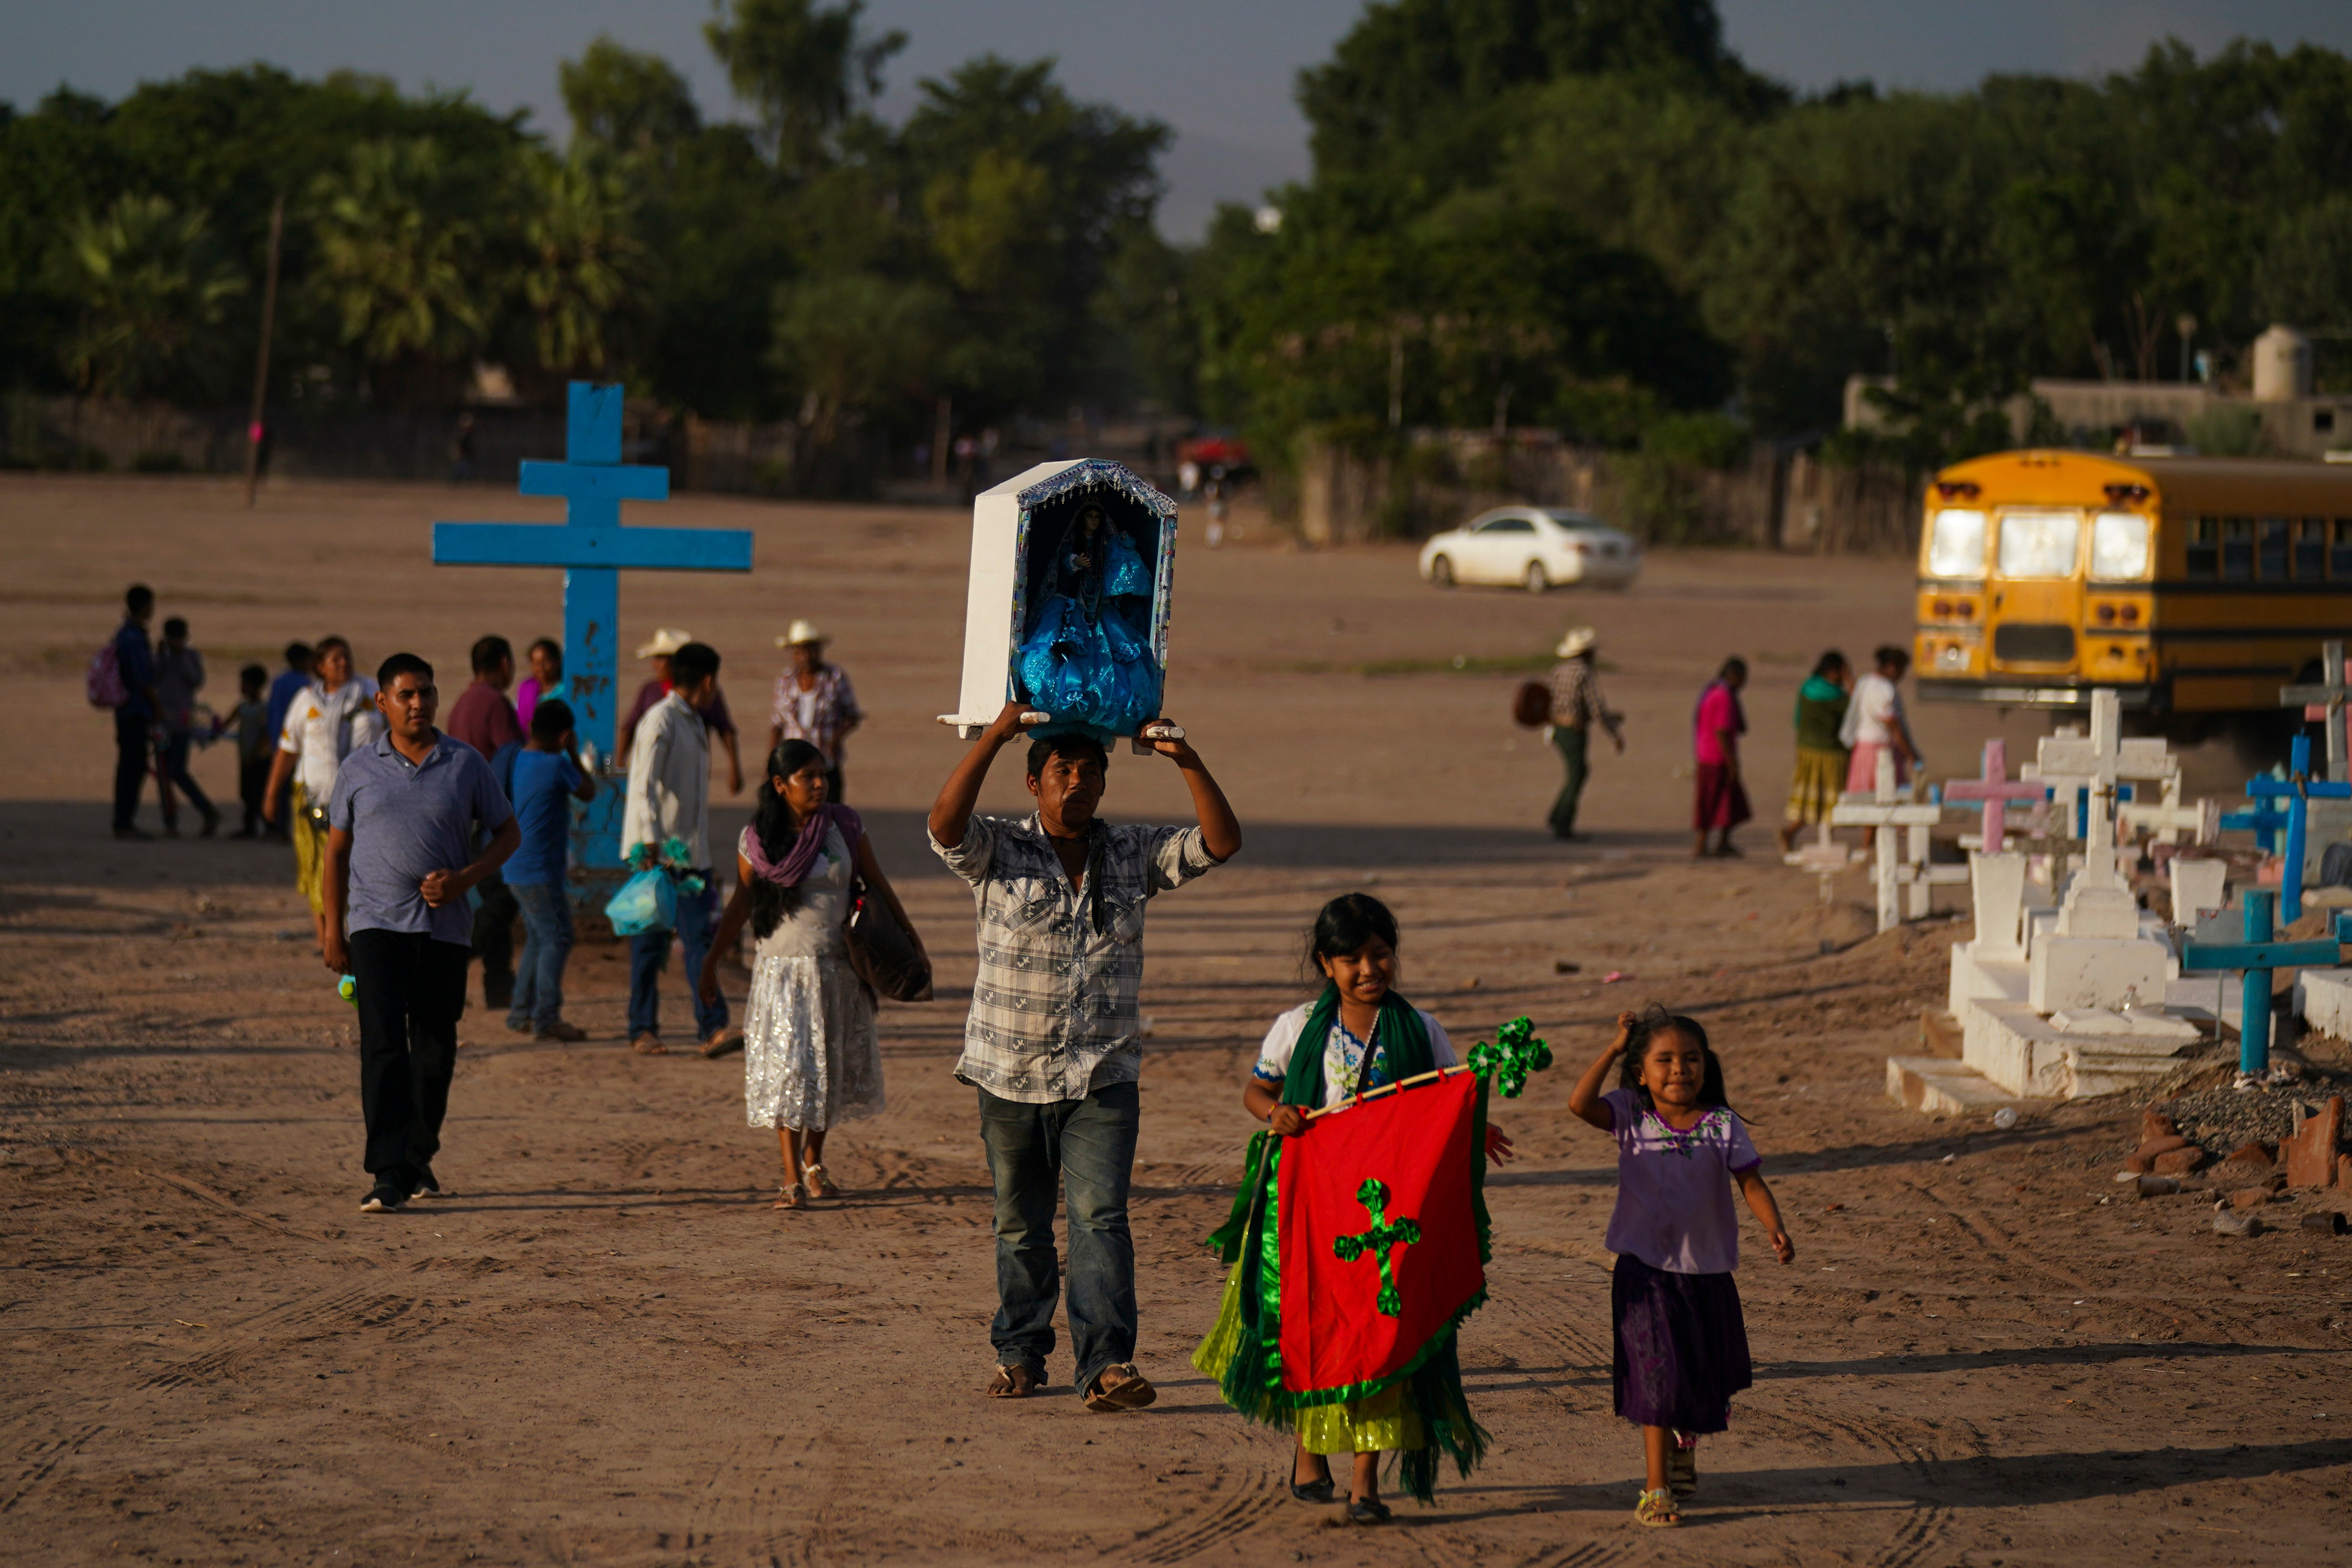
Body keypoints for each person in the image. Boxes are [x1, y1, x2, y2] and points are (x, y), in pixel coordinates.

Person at [928, 701, 1241, 1410]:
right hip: (1008, 1072)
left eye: (1090, 771)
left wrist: (1184, 757)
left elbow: (1221, 842)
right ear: (1034, 784)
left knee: (1101, 1218)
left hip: (1101, 1073)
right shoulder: (999, 849)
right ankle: (1020, 1351)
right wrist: (998, 736)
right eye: (1061, 770)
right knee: (1019, 1223)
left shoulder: (1132, 853)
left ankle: (1106, 1363)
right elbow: (943, 826)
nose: (1077, 781)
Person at [1195, 893, 1514, 1524]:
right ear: (1325, 963)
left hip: (1391, 1213)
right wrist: (1274, 1113)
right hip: (1314, 1207)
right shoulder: (1294, 1027)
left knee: (1387, 1333)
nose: (1369, 969)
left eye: (1379, 954)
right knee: (1315, 1324)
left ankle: (1365, 1482)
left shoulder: (1422, 1030)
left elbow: (1443, 1102)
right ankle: (1309, 1450)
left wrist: (1476, 1125)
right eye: (1352, 958)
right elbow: (1256, 1089)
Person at [1566, 1006, 1793, 1529]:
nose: (1679, 1070)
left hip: (1706, 1273)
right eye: (1664, 1060)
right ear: (1641, 1072)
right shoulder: (1629, 1112)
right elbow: (1579, 1104)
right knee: (1655, 1376)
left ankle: (1682, 1443)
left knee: (1698, 1373)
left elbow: (1751, 1183)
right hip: (1643, 1273)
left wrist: (1774, 1228)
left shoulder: (1722, 1124)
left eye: (1691, 1059)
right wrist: (1613, 1048)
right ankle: (1656, 1486)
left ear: (1707, 1067)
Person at [320, 653, 519, 1214]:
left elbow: (508, 833)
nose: (418, 704)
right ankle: (389, 1170)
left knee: (434, 1051)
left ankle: (419, 1151)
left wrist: (466, 880)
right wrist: (334, 930)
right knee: (383, 1047)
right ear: (381, 702)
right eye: (406, 694)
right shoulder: (359, 768)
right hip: (376, 927)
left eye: (426, 693)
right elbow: (336, 852)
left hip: (445, 929)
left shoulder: (466, 763)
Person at [699, 738, 924, 1209]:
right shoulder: (755, 839)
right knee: (790, 1072)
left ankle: (815, 1160)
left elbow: (877, 882)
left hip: (838, 971)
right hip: (781, 974)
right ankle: (789, 1176)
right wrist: (711, 960)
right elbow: (741, 903)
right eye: (808, 777)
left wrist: (910, 935)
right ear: (781, 786)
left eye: (823, 774)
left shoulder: (844, 825)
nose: (820, 784)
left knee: (831, 1070)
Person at [622, 640, 739, 1056]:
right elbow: (643, 784)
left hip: (690, 855)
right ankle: (641, 1028)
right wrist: (649, 840)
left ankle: (712, 1027)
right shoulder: (661, 720)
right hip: (657, 856)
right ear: (707, 681)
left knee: (700, 941)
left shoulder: (691, 721)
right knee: (650, 945)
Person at [264, 637, 380, 953]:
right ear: (320, 667)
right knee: (320, 865)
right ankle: (326, 935)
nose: (343, 664)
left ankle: (355, 931)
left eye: (346, 657)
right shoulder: (306, 701)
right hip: (314, 797)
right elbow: (288, 750)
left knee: (358, 865)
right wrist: (272, 794)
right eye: (335, 660)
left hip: (364, 795)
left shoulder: (370, 693)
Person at [502, 697, 594, 1043]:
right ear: (564, 736)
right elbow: (588, 791)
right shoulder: (557, 765)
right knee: (558, 936)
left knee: (539, 937)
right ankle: (546, 1017)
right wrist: (572, 753)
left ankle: (520, 1013)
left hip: (515, 866)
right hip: (539, 870)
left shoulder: (520, 759)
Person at [447, 635, 526, 1011]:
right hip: (490, 821)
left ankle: (499, 988)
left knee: (492, 901)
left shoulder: (462, 703)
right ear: (504, 664)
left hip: (464, 817)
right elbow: (513, 759)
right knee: (500, 903)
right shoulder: (496, 704)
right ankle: (450, 960)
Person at [621, 627, 743, 796]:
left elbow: (725, 729)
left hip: (693, 777)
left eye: (659, 659)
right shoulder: (657, 710)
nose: (654, 665)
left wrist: (734, 768)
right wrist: (619, 764)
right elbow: (645, 788)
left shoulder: (698, 710)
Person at [768, 620, 864, 802]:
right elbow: (777, 725)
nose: (807, 656)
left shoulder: (835, 678)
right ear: (794, 654)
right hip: (793, 766)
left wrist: (836, 739)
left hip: (826, 763)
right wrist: (771, 764)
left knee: (830, 815)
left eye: (811, 649)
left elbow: (852, 715)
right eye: (801, 651)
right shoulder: (785, 681)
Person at [1544, 626, 1624, 841]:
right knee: (1577, 773)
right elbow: (1596, 706)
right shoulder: (1584, 673)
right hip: (1573, 730)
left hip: (1558, 728)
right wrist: (1614, 735)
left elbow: (1550, 699)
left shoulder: (1558, 670)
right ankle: (1562, 823)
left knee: (1577, 771)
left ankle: (1558, 817)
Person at [1777, 651, 1852, 856]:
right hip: (1830, 754)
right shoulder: (1837, 697)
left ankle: (1792, 833)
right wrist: (1850, 682)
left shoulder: (1807, 688)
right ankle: (1820, 841)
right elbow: (1854, 712)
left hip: (1806, 751)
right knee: (1830, 800)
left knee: (1809, 799)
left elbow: (1798, 720)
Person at [152, 615, 220, 839]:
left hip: (182, 724)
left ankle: (207, 811)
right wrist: (163, 657)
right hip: (162, 724)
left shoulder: (191, 657)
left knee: (177, 770)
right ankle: (170, 822)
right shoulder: (158, 658)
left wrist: (181, 659)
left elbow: (196, 680)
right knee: (163, 773)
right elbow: (152, 679)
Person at [106, 585, 161, 840]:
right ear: (145, 606)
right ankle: (124, 823)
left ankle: (123, 820)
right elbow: (143, 680)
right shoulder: (134, 638)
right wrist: (158, 707)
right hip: (136, 711)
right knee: (133, 767)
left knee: (130, 766)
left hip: (126, 710)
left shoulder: (125, 634)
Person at [1692, 657, 1750, 859]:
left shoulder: (1712, 691)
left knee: (1730, 802)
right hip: (1716, 757)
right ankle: (1701, 845)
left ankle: (1723, 842)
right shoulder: (1724, 696)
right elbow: (1721, 731)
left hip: (1705, 755)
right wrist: (1731, 761)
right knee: (1712, 802)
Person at [1843, 645, 1919, 796]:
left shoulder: (1865, 682)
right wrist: (1911, 754)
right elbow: (1893, 727)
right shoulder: (1884, 689)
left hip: (1862, 750)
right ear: (1892, 667)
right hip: (1879, 753)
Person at [264, 642, 314, 841]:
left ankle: (274, 827)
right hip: (297, 745)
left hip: (278, 740)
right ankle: (286, 829)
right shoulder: (305, 685)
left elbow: (272, 712)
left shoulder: (279, 681)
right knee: (294, 789)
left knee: (279, 786)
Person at [227, 663, 272, 839]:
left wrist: (255, 754)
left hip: (258, 759)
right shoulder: (242, 707)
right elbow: (227, 722)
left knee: (259, 794)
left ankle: (268, 827)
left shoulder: (262, 708)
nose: (242, 687)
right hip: (246, 758)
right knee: (247, 794)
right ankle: (250, 827)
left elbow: (265, 733)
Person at [515, 638, 562, 731]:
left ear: (557, 663)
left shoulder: (565, 689)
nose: (540, 668)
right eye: (536, 663)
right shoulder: (526, 688)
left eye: (545, 662)